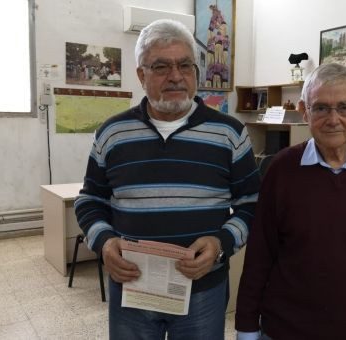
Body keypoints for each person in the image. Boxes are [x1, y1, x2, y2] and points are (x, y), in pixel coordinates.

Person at [75, 19, 260, 340]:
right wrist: (104, 243)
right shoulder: (113, 132)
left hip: (202, 289)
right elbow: (91, 200)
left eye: (185, 65)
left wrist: (221, 244)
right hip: (133, 287)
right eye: (161, 66)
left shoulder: (229, 132)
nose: (176, 76)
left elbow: (253, 204)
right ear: (140, 75)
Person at [235, 63, 346, 340]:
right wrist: (246, 327)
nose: (333, 119)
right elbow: (260, 253)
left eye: (344, 107)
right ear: (303, 110)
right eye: (320, 108)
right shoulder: (282, 169)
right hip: (285, 329)